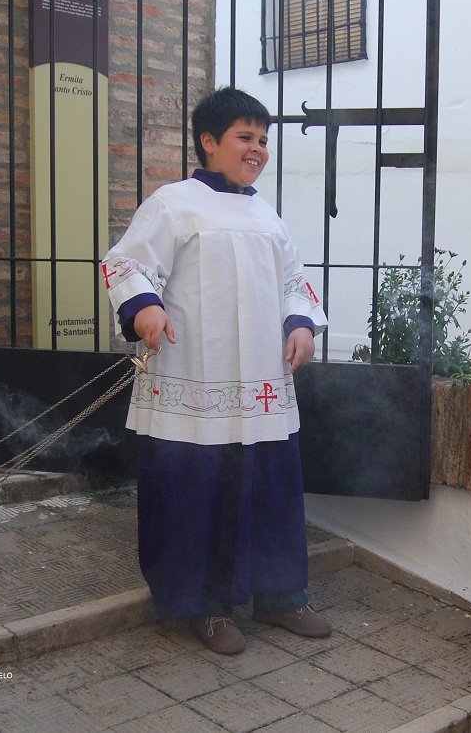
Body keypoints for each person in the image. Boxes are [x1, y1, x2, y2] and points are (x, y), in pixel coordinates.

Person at [102, 87, 332, 654]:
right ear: (209, 140)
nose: (257, 149)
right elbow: (125, 263)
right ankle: (204, 606)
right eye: (244, 137)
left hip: (260, 383)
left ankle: (280, 595)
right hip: (194, 378)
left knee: (271, 489)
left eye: (263, 140)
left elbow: (293, 281)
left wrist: (301, 323)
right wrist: (145, 306)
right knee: (197, 491)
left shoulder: (266, 215)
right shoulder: (172, 204)